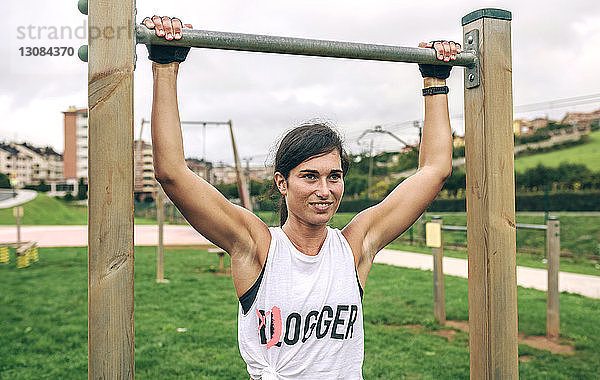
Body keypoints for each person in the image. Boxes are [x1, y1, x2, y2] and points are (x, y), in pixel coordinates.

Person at [142, 15, 460, 380]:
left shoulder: (355, 247)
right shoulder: (256, 246)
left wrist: (435, 82)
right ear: (282, 182)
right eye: (309, 176)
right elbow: (171, 172)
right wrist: (165, 64)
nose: (324, 191)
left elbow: (435, 170)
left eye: (334, 176)